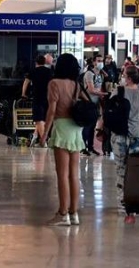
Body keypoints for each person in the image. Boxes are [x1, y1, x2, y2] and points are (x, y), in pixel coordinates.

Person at [39, 54, 85, 226]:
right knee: (74, 174)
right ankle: (74, 213)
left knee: (62, 174)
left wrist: (44, 134)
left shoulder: (54, 84)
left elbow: (51, 111)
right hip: (76, 129)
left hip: (62, 128)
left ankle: (62, 213)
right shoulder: (76, 85)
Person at [108, 66, 139, 201]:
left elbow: (109, 111)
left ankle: (122, 200)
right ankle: (133, 199)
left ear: (128, 78)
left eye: (123, 75)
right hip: (138, 137)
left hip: (119, 136)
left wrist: (100, 129)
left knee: (121, 169)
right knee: (134, 169)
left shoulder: (117, 91)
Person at [22, 54, 54, 147]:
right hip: (48, 98)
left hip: (37, 97)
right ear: (44, 62)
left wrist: (23, 94)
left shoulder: (33, 71)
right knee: (43, 118)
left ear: (36, 62)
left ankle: (44, 142)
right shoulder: (49, 72)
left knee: (38, 119)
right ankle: (35, 136)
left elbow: (26, 82)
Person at [83, 54, 107, 156]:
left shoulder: (99, 74)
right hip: (88, 103)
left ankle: (91, 147)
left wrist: (101, 96)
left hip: (96, 104)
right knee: (87, 126)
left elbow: (99, 88)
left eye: (102, 60)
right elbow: (91, 89)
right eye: (98, 60)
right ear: (93, 62)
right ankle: (83, 147)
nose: (100, 62)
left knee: (93, 126)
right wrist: (103, 94)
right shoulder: (89, 74)